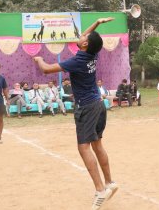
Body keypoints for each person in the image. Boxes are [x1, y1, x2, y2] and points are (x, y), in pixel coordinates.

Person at [32, 17, 118, 209]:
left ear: (85, 43)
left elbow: (46, 70)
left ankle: (100, 189)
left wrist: (39, 59)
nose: (81, 36)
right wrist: (97, 22)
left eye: (83, 36)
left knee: (84, 147)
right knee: (97, 144)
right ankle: (110, 182)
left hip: (86, 107)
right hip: (98, 104)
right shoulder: (93, 53)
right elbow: (86, 37)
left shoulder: (79, 60)